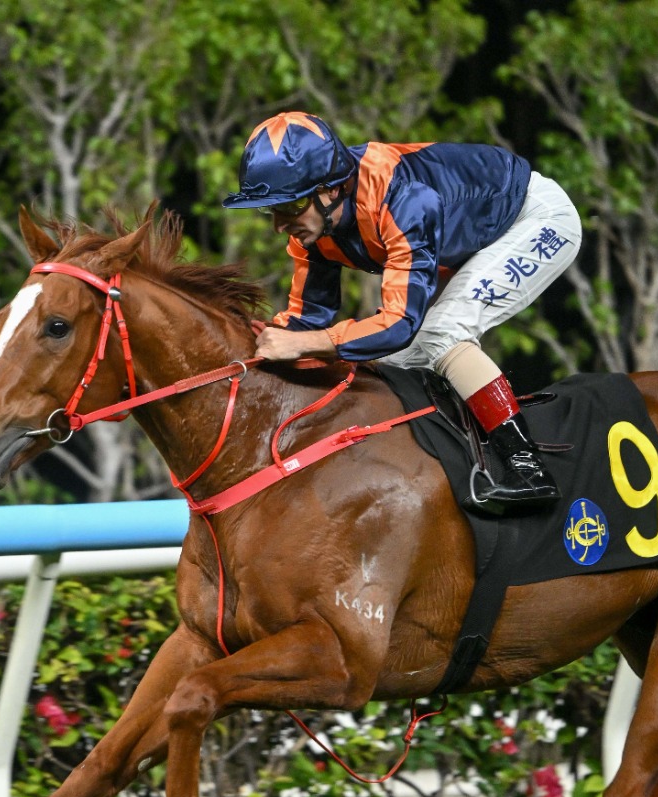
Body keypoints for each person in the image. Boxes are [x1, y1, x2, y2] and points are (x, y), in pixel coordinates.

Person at [222, 111, 582, 513]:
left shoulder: (404, 198)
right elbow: (307, 319)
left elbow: (398, 324)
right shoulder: (313, 230)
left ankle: (526, 466)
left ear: (332, 189)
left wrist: (306, 343)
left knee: (438, 334)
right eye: (270, 210)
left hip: (534, 218)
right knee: (393, 361)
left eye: (291, 206)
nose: (279, 225)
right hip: (463, 241)